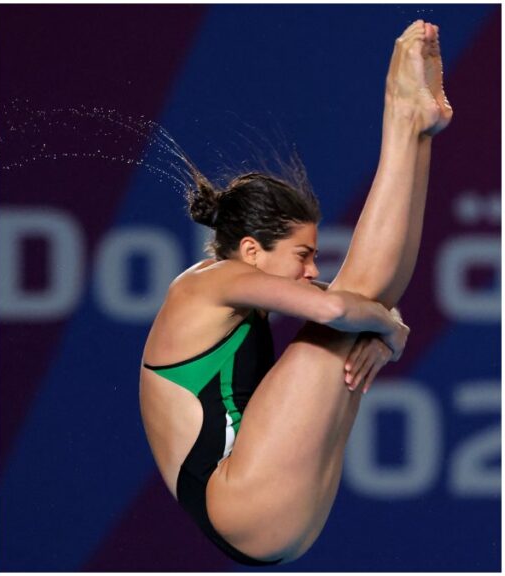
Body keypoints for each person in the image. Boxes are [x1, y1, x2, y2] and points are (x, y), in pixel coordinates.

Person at [139, 20, 451, 564]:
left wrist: (387, 326)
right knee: (350, 310)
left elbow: (362, 303)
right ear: (253, 250)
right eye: (304, 256)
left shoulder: (234, 288)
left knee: (358, 316)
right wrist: (389, 327)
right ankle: (402, 118)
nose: (311, 269)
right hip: (242, 502)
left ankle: (417, 131)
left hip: (267, 520)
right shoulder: (212, 280)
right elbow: (336, 303)